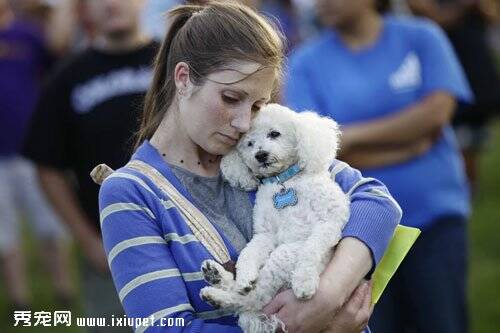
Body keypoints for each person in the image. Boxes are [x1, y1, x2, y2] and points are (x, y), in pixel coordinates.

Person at [98, 2, 402, 332]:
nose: (244, 123)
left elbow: (376, 201)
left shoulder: (257, 152)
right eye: (230, 98)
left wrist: (325, 297)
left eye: (258, 105)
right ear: (183, 78)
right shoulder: (131, 192)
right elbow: (166, 328)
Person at [285, 0, 472, 332]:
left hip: (435, 219)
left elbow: (438, 112)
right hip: (355, 237)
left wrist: (351, 137)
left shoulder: (422, 37)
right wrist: (411, 143)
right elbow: (315, 154)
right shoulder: (304, 63)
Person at [23, 0, 158, 331]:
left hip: (184, 237)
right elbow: (47, 167)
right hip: (110, 253)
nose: (112, 4)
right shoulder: (67, 77)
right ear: (84, 9)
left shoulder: (174, 62)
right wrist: (87, 242)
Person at [0, 0, 74, 313]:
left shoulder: (27, 34)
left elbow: (58, 57)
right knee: (4, 233)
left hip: (31, 150)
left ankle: (64, 290)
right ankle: (20, 300)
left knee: (51, 225)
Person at [407, 0, 500, 191]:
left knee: (473, 137)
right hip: (449, 69)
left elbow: (491, 16)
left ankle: (468, 189)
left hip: (476, 69)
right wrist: (464, 6)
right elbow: (434, 18)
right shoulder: (426, 33)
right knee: (458, 135)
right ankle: (461, 188)